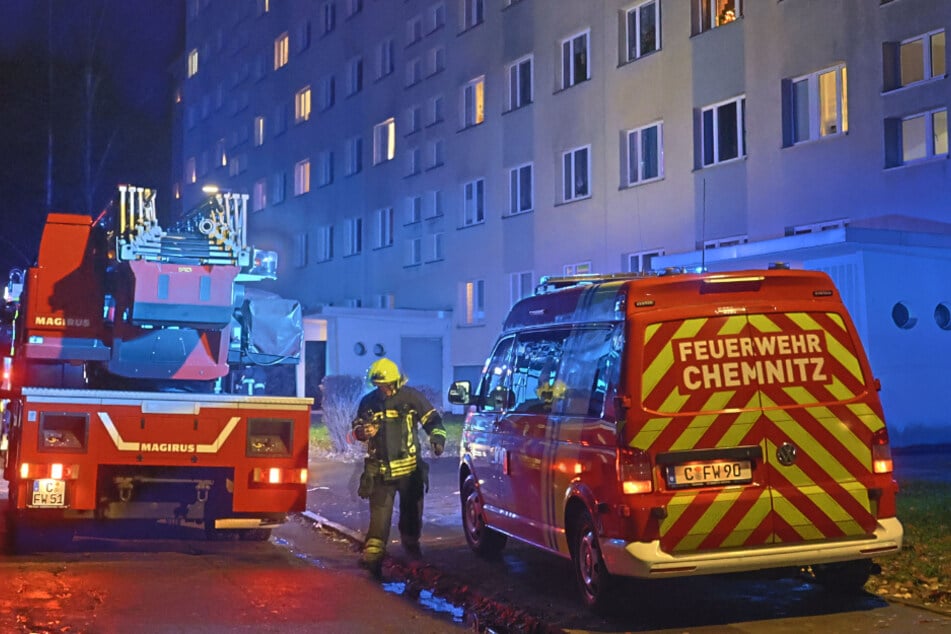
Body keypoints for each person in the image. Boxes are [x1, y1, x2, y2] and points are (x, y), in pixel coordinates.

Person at [351, 357, 447, 577]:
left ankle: (413, 554)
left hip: (409, 470)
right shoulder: (368, 402)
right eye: (378, 386)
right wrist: (362, 432)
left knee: (411, 515)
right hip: (380, 471)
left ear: (396, 382)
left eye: (385, 385)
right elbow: (356, 428)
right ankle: (373, 556)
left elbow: (433, 420)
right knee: (379, 517)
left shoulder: (411, 398)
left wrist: (438, 440)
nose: (382, 390)